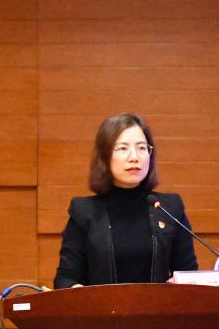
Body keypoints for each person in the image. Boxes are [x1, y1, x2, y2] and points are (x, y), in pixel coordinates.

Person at [54, 113, 198, 288]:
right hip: (101, 306)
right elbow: (65, 278)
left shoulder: (169, 208)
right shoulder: (84, 212)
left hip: (158, 306)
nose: (134, 157)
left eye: (142, 148)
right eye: (123, 148)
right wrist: (78, 292)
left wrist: (178, 284)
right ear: (104, 156)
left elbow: (188, 273)